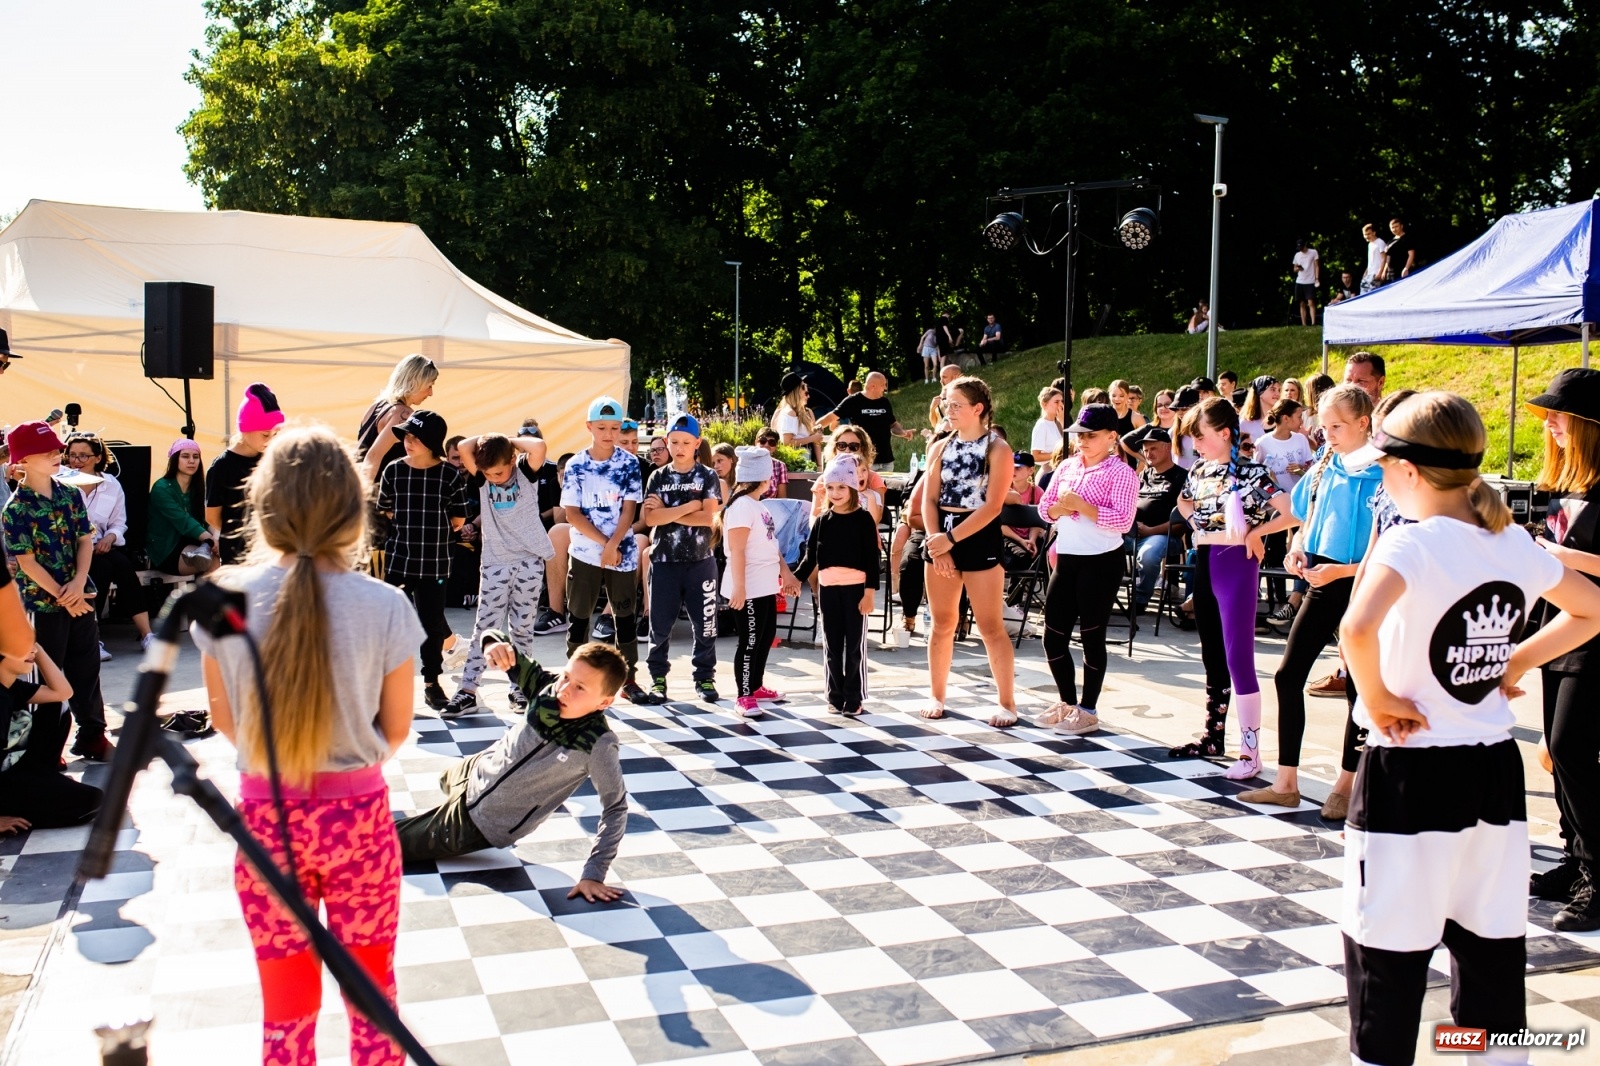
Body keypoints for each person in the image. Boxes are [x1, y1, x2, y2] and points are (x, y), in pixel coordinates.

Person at [1335, 392, 1600, 1066]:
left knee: (1386, 955)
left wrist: (1380, 696)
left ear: (1408, 471)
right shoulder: (1510, 541)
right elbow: (1591, 611)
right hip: (1492, 772)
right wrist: (1515, 659)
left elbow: (1355, 628)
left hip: (1409, 769)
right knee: (1490, 950)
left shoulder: (1412, 541)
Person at [192, 425, 419, 1066]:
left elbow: (225, 720)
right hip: (361, 826)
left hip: (266, 823)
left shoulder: (224, 599)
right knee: (375, 1007)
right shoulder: (386, 605)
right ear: (354, 508)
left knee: (285, 1015)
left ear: (263, 507)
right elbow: (394, 732)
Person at [395, 635, 629, 908]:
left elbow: (615, 808)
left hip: (479, 823)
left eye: (580, 688)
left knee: (385, 842)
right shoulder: (546, 687)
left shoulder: (597, 743)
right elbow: (498, 639)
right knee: (445, 777)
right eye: (566, 676)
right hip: (475, 772)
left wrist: (594, 874)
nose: (564, 689)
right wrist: (492, 644)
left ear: (604, 703)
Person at [1236, 385, 1379, 814]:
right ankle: (1286, 780)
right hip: (1321, 578)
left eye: (1337, 426)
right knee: (1287, 674)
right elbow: (1304, 515)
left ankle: (1348, 781)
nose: (1327, 433)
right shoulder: (1324, 463)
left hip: (1363, 583)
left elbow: (1390, 544)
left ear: (1363, 424)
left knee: (1359, 686)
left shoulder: (1386, 470)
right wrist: (1297, 544)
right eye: (1324, 423)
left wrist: (1343, 571)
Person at [1168, 399, 1295, 775]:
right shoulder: (1200, 470)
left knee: (1238, 655)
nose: (1195, 444)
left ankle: (1250, 751)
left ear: (1224, 434)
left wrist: (1257, 531)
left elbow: (1292, 510)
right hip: (1206, 562)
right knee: (1211, 651)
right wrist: (1198, 525)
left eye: (1200, 435)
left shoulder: (1252, 473)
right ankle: (1214, 734)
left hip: (1237, 563)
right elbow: (1183, 500)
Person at [1525, 368, 1600, 927]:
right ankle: (1574, 859)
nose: (1548, 421)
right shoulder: (1562, 487)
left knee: (1572, 751)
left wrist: (1563, 559)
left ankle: (1597, 876)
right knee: (1555, 751)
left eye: (1558, 413)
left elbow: (1572, 561)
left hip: (1595, 639)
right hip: (1558, 632)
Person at [2, 421, 113, 762]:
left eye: (56, 449)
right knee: (48, 677)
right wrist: (64, 595)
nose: (57, 455)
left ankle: (92, 734)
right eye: (46, 451)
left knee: (87, 668)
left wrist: (79, 584)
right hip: (40, 605)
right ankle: (48, 749)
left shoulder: (71, 493)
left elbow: (84, 540)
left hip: (79, 597)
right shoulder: (15, 509)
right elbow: (27, 562)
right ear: (22, 461)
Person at [1034, 406, 1139, 735]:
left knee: (1092, 635)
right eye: (1079, 435)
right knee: (1053, 636)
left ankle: (1089, 708)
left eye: (1090, 435)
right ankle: (1067, 702)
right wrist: (1058, 508)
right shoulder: (1066, 466)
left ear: (1112, 437)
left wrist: (1083, 507)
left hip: (1101, 559)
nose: (1082, 441)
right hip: (1066, 557)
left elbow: (1123, 520)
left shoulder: (1122, 473)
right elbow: (1044, 509)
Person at [919, 377, 1017, 726]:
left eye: (957, 403)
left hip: (977, 536)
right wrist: (936, 541)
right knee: (943, 622)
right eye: (947, 402)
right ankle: (937, 694)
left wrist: (951, 540)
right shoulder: (940, 446)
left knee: (991, 626)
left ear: (978, 408)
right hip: (942, 535)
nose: (949, 409)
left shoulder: (997, 448)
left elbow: (992, 506)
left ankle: (1007, 702)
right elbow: (929, 500)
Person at [440, 432, 555, 718]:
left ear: (514, 460)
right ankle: (467, 691)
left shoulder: (526, 474)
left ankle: (520, 688)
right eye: (488, 473)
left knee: (522, 628)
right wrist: (489, 440)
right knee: (485, 627)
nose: (495, 478)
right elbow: (465, 446)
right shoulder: (482, 479)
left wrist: (504, 440)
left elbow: (539, 446)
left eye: (500, 471)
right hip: (495, 563)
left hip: (529, 561)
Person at [378, 410, 470, 711]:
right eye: (406, 435)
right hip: (399, 561)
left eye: (415, 437)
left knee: (430, 625)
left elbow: (459, 518)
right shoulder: (393, 470)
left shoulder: (450, 475)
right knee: (391, 624)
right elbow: (387, 510)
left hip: (435, 563)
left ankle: (432, 682)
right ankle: (388, 685)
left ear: (432, 442)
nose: (407, 441)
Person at [561, 398, 649, 702]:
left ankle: (629, 678)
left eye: (614, 427)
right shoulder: (576, 465)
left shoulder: (629, 463)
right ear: (589, 427)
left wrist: (614, 546)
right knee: (579, 615)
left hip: (621, 552)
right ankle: (572, 677)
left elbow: (629, 510)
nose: (608, 433)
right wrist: (603, 544)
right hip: (585, 552)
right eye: (602, 427)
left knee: (625, 616)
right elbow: (572, 513)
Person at [640, 414, 723, 705]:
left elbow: (709, 518)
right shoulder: (657, 477)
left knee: (705, 624)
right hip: (664, 561)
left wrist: (669, 513)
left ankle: (704, 677)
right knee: (660, 625)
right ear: (666, 441)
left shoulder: (707, 475)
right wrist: (690, 506)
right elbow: (650, 518)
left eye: (686, 442)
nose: (679, 447)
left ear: (697, 443)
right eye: (674, 442)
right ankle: (658, 678)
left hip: (701, 561)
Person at [791, 456, 880, 716]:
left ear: (853, 487)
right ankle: (834, 694)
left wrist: (869, 593)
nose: (835, 493)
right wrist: (796, 578)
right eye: (830, 487)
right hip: (828, 592)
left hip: (856, 592)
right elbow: (811, 557)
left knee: (854, 647)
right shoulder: (822, 521)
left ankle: (854, 695)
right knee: (832, 645)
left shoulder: (863, 520)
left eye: (841, 487)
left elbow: (871, 560)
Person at [722, 446, 802, 717]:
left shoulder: (758, 505)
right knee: (750, 640)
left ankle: (755, 686)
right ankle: (743, 694)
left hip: (765, 584)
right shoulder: (741, 506)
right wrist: (740, 587)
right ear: (763, 478)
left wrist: (785, 573)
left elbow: (771, 544)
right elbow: (737, 550)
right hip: (749, 586)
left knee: (765, 636)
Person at [65, 433, 153, 650]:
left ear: (97, 457)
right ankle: (93, 638)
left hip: (101, 545)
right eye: (72, 455)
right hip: (72, 548)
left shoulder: (111, 484)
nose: (76, 461)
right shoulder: (60, 483)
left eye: (83, 456)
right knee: (103, 568)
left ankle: (147, 634)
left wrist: (110, 537)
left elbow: (119, 523)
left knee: (123, 565)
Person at [0, 642, 102, 827]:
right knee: (91, 800)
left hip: (19, 768)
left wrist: (35, 647)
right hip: (5, 784)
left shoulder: (12, 686)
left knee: (56, 707)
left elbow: (63, 692)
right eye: (21, 643)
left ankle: (43, 779)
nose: (32, 650)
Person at [207, 383, 284, 566]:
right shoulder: (222, 466)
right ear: (245, 429)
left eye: (275, 434)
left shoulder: (270, 460)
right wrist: (237, 532)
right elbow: (212, 517)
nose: (270, 440)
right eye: (265, 435)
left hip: (269, 554)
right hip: (236, 556)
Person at [1256, 399, 1316, 631]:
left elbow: (1311, 469)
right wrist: (1268, 476)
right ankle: (1280, 597)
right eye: (1298, 417)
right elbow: (1257, 474)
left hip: (1300, 502)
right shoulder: (1264, 443)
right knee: (1276, 547)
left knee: (1299, 545)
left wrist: (1301, 470)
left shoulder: (1300, 439)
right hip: (1276, 506)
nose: (1301, 422)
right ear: (1285, 419)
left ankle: (1292, 600)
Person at [1123, 428, 1185, 614]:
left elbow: (1182, 521)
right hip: (1132, 533)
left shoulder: (1182, 477)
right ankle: (1103, 597)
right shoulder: (1142, 476)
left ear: (1167, 448)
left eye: (1153, 449)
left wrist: (1151, 531)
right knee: (1103, 547)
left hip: (1164, 536)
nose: (1148, 454)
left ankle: (1139, 600)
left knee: (1148, 555)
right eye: (1146, 450)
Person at [358, 354, 439, 484]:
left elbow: (361, 450)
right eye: (429, 385)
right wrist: (361, 497)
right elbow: (373, 455)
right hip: (378, 496)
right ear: (416, 383)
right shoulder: (403, 414)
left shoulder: (376, 406)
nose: (430, 393)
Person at [147, 441, 222, 577]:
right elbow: (184, 521)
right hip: (167, 549)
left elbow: (208, 518)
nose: (191, 461)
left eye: (196, 456)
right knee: (213, 562)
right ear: (175, 459)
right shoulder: (161, 488)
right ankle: (208, 598)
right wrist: (211, 540)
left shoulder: (199, 487)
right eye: (185, 456)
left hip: (198, 542)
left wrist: (218, 538)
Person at [815, 372, 914, 472]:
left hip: (886, 461)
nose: (885, 388)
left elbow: (893, 424)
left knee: (885, 488)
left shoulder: (885, 402)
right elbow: (831, 417)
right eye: (883, 385)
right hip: (862, 460)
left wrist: (903, 432)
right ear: (873, 386)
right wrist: (814, 429)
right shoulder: (853, 401)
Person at [772, 372, 824, 467]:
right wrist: (812, 438)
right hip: (795, 462)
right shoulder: (789, 412)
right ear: (796, 391)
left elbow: (813, 440)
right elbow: (786, 442)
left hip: (806, 460)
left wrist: (820, 466)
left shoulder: (804, 412)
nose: (808, 396)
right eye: (804, 389)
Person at [1002, 453, 1043, 565]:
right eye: (1011, 467)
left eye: (1018, 468)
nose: (1013, 471)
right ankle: (1017, 583)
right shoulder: (1003, 491)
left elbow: (1038, 521)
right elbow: (1000, 524)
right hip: (1008, 537)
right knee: (1020, 557)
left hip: (1031, 536)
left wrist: (1032, 539)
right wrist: (1020, 540)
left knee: (1042, 555)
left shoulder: (1037, 492)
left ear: (1031, 471)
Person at [1031, 387, 1066, 469]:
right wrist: (1059, 455)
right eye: (1056, 402)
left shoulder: (1057, 422)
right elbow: (1035, 456)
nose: (1061, 405)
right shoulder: (1042, 425)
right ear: (1044, 404)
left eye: (1062, 401)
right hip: (1049, 469)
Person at [1238, 375, 1279, 443]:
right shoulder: (1245, 424)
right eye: (1273, 389)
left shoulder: (1284, 417)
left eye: (1279, 390)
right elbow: (1240, 450)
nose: (1278, 393)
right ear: (1260, 392)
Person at [1291, 238, 1321, 325]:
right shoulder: (1297, 255)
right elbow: (1294, 269)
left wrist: (1317, 278)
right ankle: (1303, 324)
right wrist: (1298, 268)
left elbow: (1317, 266)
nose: (1300, 249)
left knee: (1311, 302)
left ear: (1305, 245)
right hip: (1300, 281)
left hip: (1310, 281)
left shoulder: (1313, 252)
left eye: (1301, 246)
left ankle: (1313, 322)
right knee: (1302, 303)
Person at [754, 428, 789, 500]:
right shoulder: (747, 462)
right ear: (755, 443)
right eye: (762, 441)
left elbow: (782, 498)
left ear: (776, 446)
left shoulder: (780, 466)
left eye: (771, 442)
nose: (766, 445)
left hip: (770, 508)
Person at [1360, 222, 1388, 294]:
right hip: (1369, 273)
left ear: (1374, 233)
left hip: (1376, 273)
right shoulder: (1370, 244)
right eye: (1365, 235)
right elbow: (1371, 260)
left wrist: (1380, 272)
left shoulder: (1380, 242)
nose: (1367, 236)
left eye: (1369, 234)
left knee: (1372, 293)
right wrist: (1366, 271)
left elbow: (1384, 258)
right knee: (1363, 292)